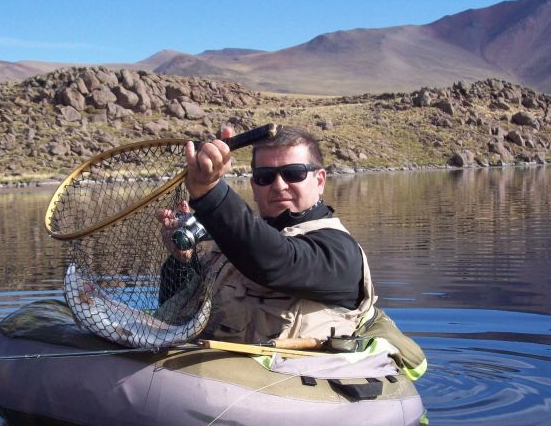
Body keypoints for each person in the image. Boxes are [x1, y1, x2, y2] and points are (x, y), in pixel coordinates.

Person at [158, 125, 426, 378]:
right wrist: (184, 261)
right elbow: (180, 312)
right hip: (210, 383)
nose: (279, 185)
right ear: (253, 186)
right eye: (265, 177)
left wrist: (210, 193)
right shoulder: (233, 245)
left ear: (320, 180)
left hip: (291, 401)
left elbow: (277, 261)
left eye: (294, 173)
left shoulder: (339, 252)